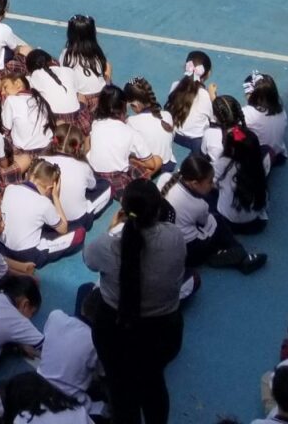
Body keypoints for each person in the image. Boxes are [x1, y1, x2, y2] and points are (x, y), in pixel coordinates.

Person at [81, 179, 186, 424]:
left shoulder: (108, 245)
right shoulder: (175, 237)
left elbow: (88, 260)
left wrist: (111, 229)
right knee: (154, 384)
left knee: (121, 392)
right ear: (158, 210)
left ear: (123, 211)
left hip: (115, 332)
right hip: (163, 333)